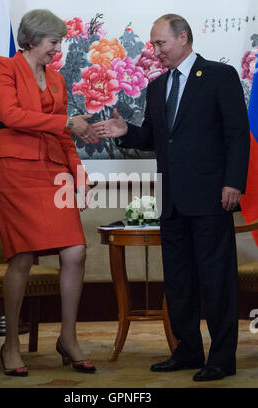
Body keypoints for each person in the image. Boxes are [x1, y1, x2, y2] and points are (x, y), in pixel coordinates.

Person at [93, 14, 250, 381]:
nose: (156, 50)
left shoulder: (219, 76)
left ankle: (222, 359)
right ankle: (188, 351)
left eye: (160, 43)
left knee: (216, 280)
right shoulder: (157, 87)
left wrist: (233, 183)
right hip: (172, 200)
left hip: (212, 197)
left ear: (182, 38)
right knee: (179, 280)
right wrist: (125, 131)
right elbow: (153, 137)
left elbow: (237, 135)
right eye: (153, 43)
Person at [0, 9, 97, 376]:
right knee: (21, 257)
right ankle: (11, 344)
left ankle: (68, 337)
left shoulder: (57, 80)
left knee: (76, 251)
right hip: (14, 169)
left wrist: (78, 175)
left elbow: (64, 135)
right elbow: (11, 114)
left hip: (52, 172)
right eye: (54, 42)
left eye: (60, 42)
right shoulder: (3, 67)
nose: (58, 50)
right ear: (33, 39)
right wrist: (65, 121)